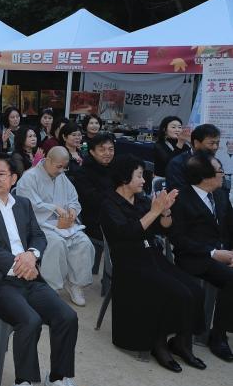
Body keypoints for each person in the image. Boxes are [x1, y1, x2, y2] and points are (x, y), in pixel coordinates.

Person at [0, 153, 90, 386]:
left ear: (13, 178)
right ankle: (23, 383)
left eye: (1, 174)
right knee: (29, 320)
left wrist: (32, 256)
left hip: (29, 275)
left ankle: (57, 380)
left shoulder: (22, 203)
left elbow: (38, 235)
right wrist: (18, 264)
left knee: (66, 316)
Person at [100, 155, 206, 371]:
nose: (143, 181)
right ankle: (159, 343)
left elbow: (163, 228)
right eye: (139, 176)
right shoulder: (109, 203)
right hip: (129, 261)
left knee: (194, 289)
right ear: (124, 178)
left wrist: (165, 212)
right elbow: (127, 233)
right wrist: (155, 211)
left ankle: (181, 342)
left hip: (152, 255)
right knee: (173, 291)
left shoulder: (141, 200)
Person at [170, 151, 233, 362]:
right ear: (206, 176)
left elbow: (230, 227)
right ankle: (219, 336)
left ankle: (221, 328)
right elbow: (178, 239)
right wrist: (213, 253)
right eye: (220, 170)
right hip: (194, 257)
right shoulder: (181, 199)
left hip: (221, 253)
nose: (223, 174)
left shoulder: (221, 195)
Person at [15, 147, 95, 306]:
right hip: (39, 224)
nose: (61, 171)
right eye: (59, 166)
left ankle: (75, 284)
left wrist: (72, 211)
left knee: (84, 243)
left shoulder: (62, 177)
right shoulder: (29, 177)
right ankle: (52, 287)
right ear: (48, 160)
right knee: (56, 244)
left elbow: (73, 199)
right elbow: (28, 205)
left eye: (64, 167)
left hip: (64, 224)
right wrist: (54, 209)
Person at [70, 132, 116, 240]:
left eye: (111, 149)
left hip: (116, 214)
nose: (107, 153)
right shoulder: (83, 173)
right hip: (96, 220)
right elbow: (93, 200)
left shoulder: (116, 168)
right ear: (92, 152)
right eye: (102, 150)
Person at [165, 123, 221, 192]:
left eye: (217, 143)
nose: (215, 147)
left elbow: (222, 190)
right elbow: (179, 193)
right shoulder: (177, 164)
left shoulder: (216, 163)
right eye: (211, 143)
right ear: (196, 143)